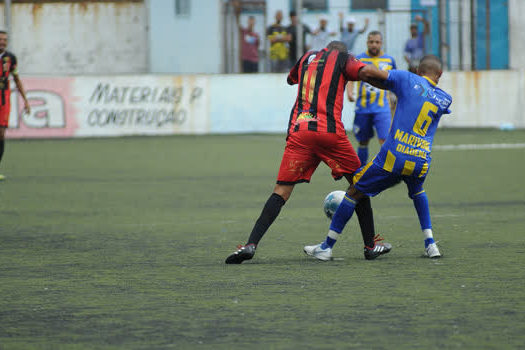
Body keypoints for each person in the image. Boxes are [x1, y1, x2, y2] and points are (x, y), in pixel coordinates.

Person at [225, 41, 392, 264]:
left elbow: (290, 79)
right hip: (329, 132)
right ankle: (370, 246)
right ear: (342, 53)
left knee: (281, 191)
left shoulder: (307, 57)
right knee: (360, 185)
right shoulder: (343, 59)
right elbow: (365, 71)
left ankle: (250, 245)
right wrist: (391, 79)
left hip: (300, 131)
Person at [304, 54, 452, 261]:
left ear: (418, 71)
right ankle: (431, 244)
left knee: (354, 191)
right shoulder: (445, 99)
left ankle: (326, 247)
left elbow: (372, 73)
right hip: (420, 160)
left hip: (395, 156)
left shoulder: (407, 78)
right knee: (418, 192)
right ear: (440, 74)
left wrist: (350, 66)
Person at [347, 31, 397, 165]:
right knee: (363, 141)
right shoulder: (359, 59)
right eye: (371, 42)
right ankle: (361, 170)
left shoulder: (389, 60)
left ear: (381, 43)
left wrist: (395, 98)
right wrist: (350, 92)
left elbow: (395, 80)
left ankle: (387, 170)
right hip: (362, 108)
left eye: (377, 42)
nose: (374, 45)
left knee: (384, 140)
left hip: (382, 108)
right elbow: (351, 78)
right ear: (367, 43)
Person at [0, 30, 30, 181]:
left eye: (5, 40)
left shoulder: (10, 58)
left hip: (4, 100)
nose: (3, 42)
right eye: (0, 39)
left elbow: (16, 79)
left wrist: (25, 100)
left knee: (1, 134)